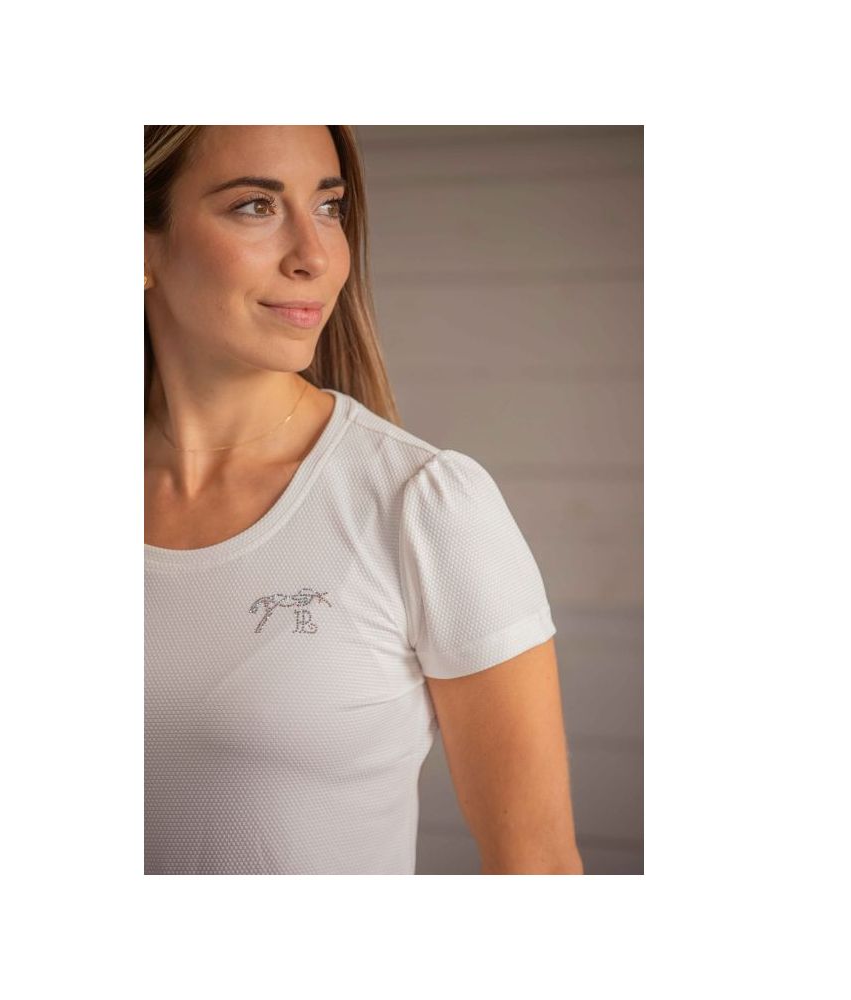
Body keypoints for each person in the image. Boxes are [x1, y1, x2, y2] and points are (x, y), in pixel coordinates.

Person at [144, 125, 583, 875]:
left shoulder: (424, 506)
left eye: (329, 207)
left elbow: (536, 866)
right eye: (255, 206)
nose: (315, 256)